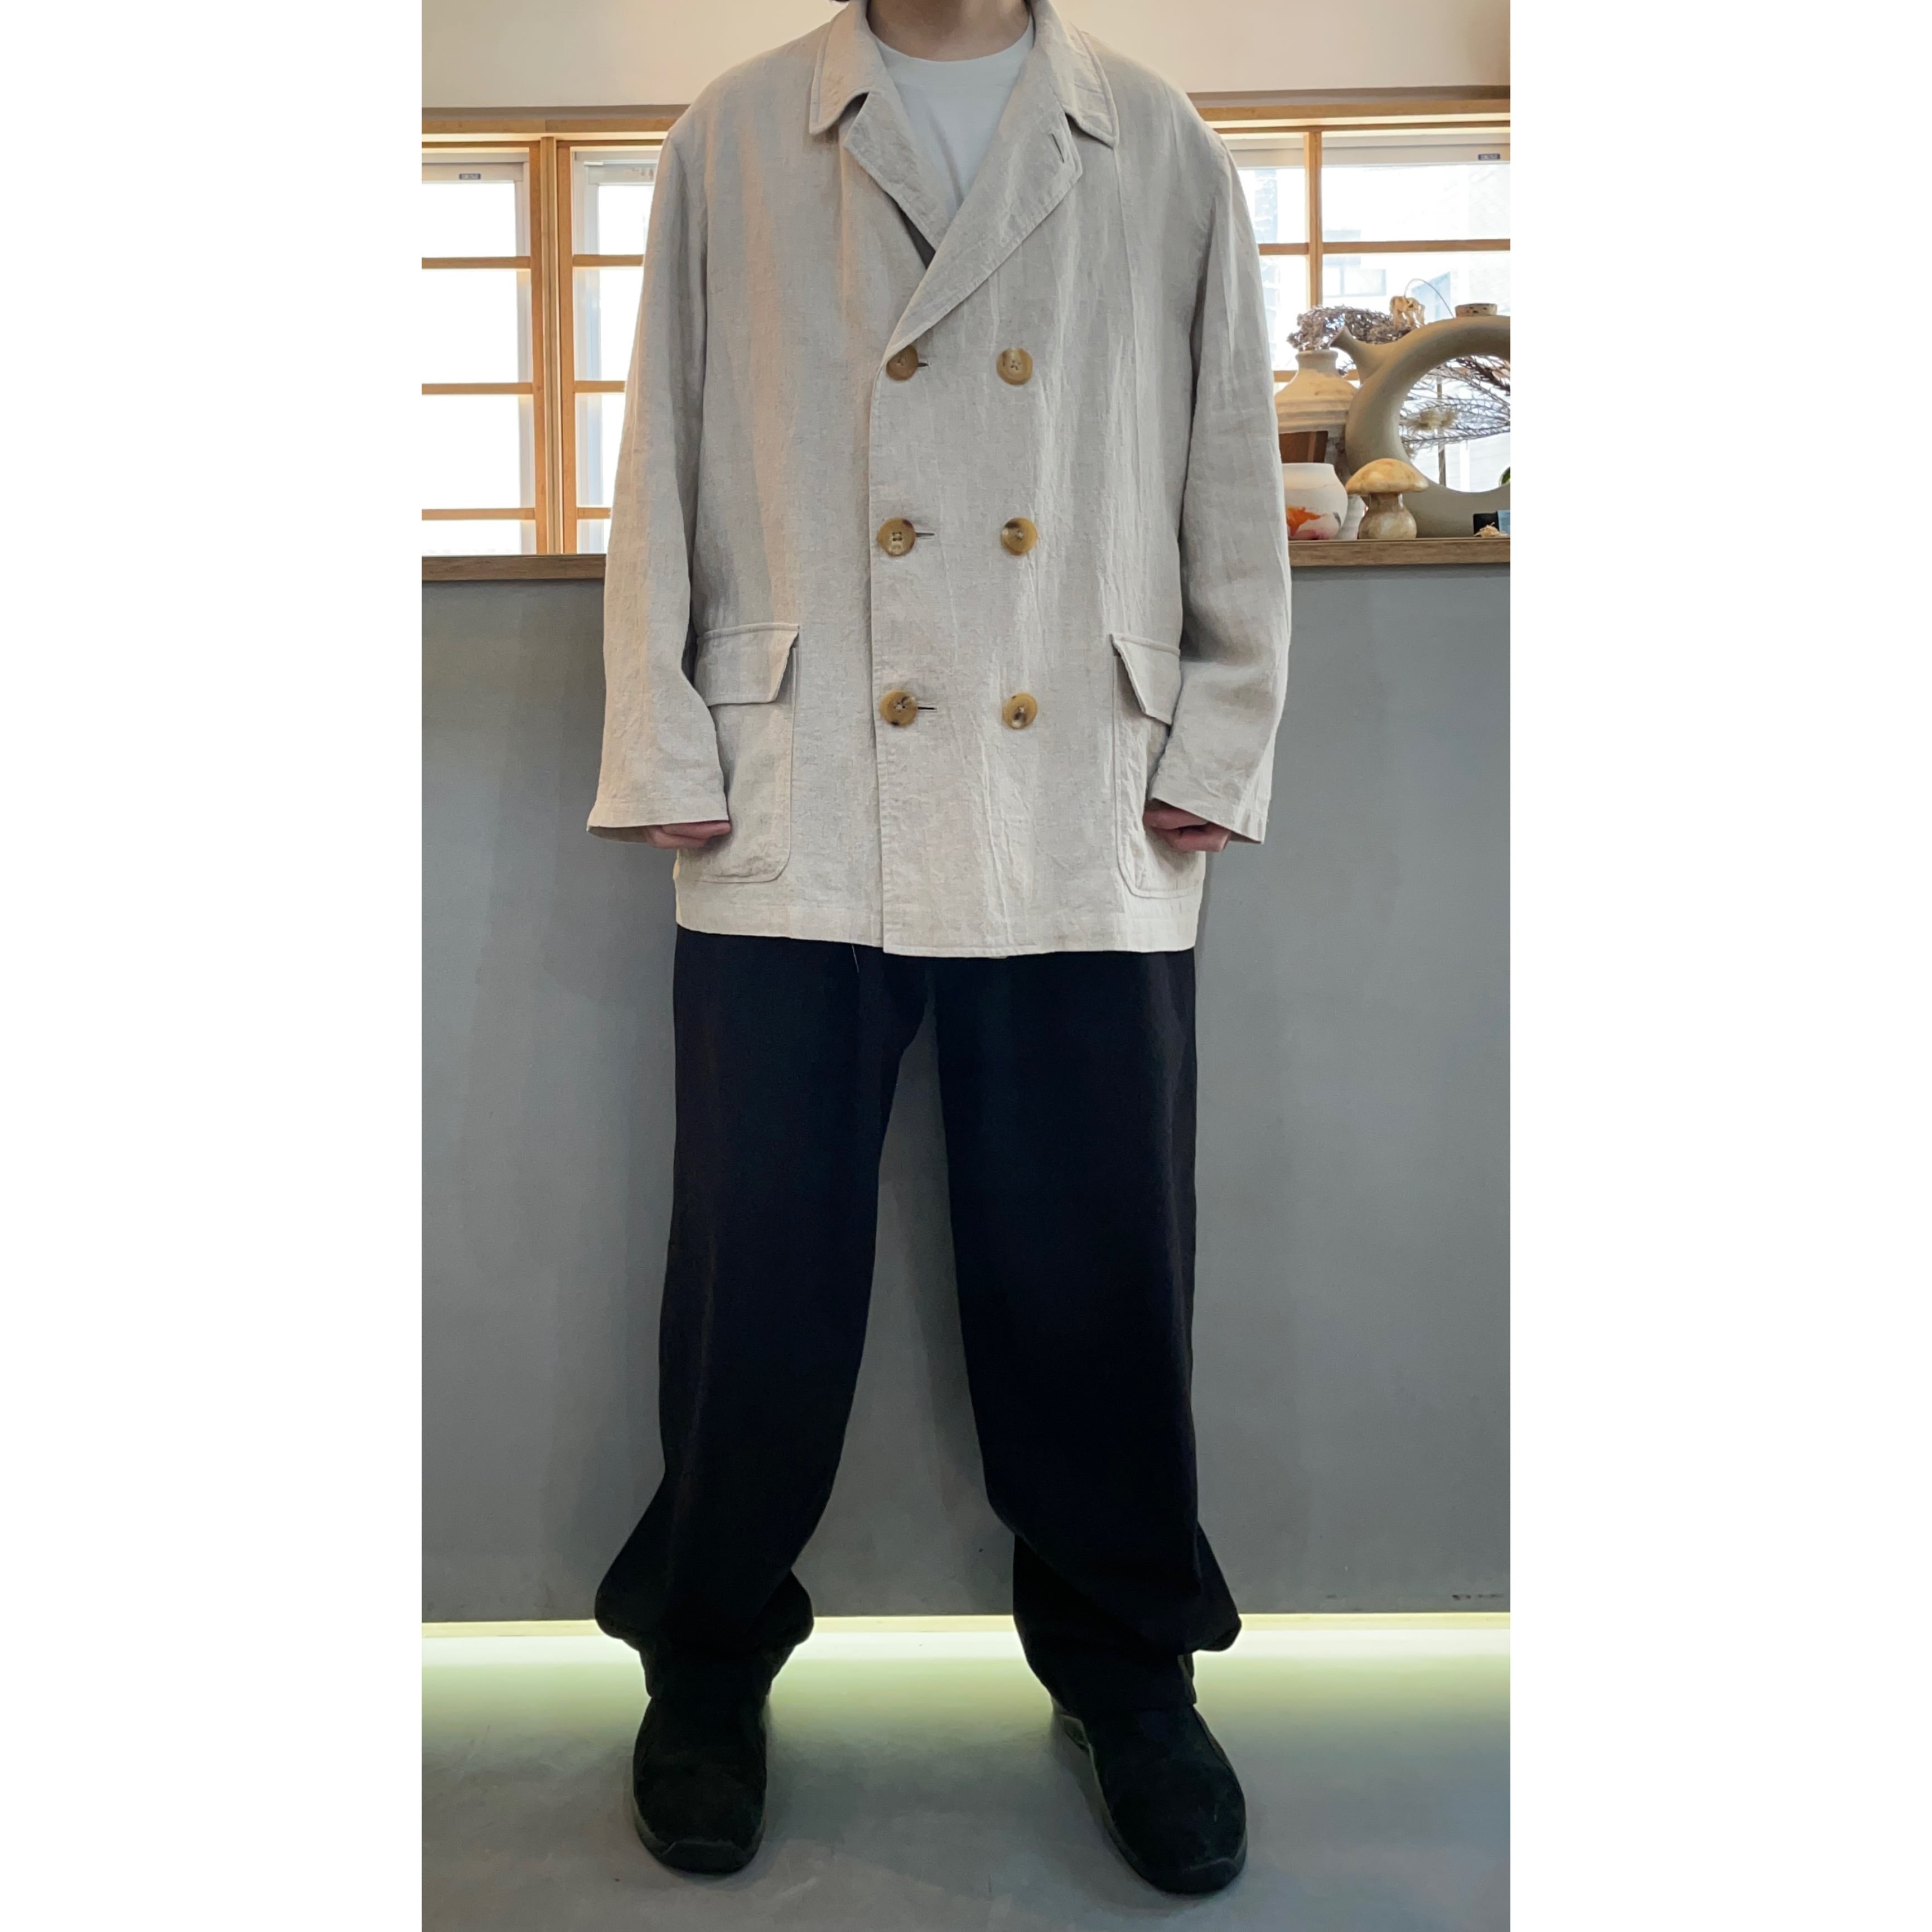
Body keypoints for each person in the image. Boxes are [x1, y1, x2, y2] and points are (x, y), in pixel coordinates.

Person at [587, 0, 1290, 1896]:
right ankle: (706, 1653)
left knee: (1101, 1263)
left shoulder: (1155, 134)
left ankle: (1131, 1669)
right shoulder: (738, 129)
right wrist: (662, 738)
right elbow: (660, 447)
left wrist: (1222, 731)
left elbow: (1230, 448)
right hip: (797, 773)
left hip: (1083, 780)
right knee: (755, 1270)